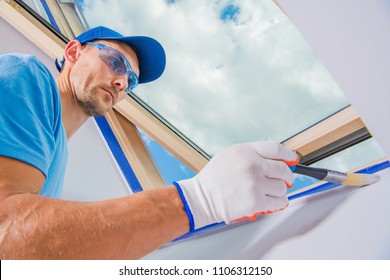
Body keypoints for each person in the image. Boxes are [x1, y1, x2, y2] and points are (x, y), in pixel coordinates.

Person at [0, 26, 298, 259]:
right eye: (115, 62)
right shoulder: (26, 74)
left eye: (131, 80)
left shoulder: (55, 154)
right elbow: (6, 233)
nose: (122, 82)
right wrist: (198, 200)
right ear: (74, 52)